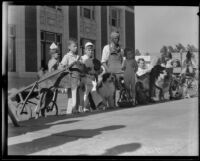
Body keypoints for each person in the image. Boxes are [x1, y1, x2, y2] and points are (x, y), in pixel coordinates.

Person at [101, 31, 125, 107]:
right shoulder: (106, 48)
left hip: (120, 73)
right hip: (110, 73)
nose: (117, 39)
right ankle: (111, 106)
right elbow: (103, 61)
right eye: (115, 37)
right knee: (111, 91)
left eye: (118, 37)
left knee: (120, 90)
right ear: (111, 38)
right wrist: (108, 72)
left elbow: (122, 61)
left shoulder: (121, 50)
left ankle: (118, 104)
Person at [79, 42, 104, 112]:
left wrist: (97, 72)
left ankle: (98, 105)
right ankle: (84, 107)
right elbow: (80, 69)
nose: (90, 51)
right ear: (85, 50)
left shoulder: (95, 60)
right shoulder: (82, 58)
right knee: (85, 94)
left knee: (93, 91)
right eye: (89, 50)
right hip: (85, 78)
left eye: (92, 50)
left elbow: (100, 70)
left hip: (92, 78)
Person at [58, 39, 80, 114]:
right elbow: (61, 66)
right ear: (69, 47)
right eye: (74, 46)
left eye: (77, 46)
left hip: (77, 77)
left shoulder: (78, 57)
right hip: (71, 77)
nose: (76, 47)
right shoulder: (67, 56)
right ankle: (74, 109)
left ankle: (69, 111)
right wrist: (66, 69)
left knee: (75, 94)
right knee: (73, 93)